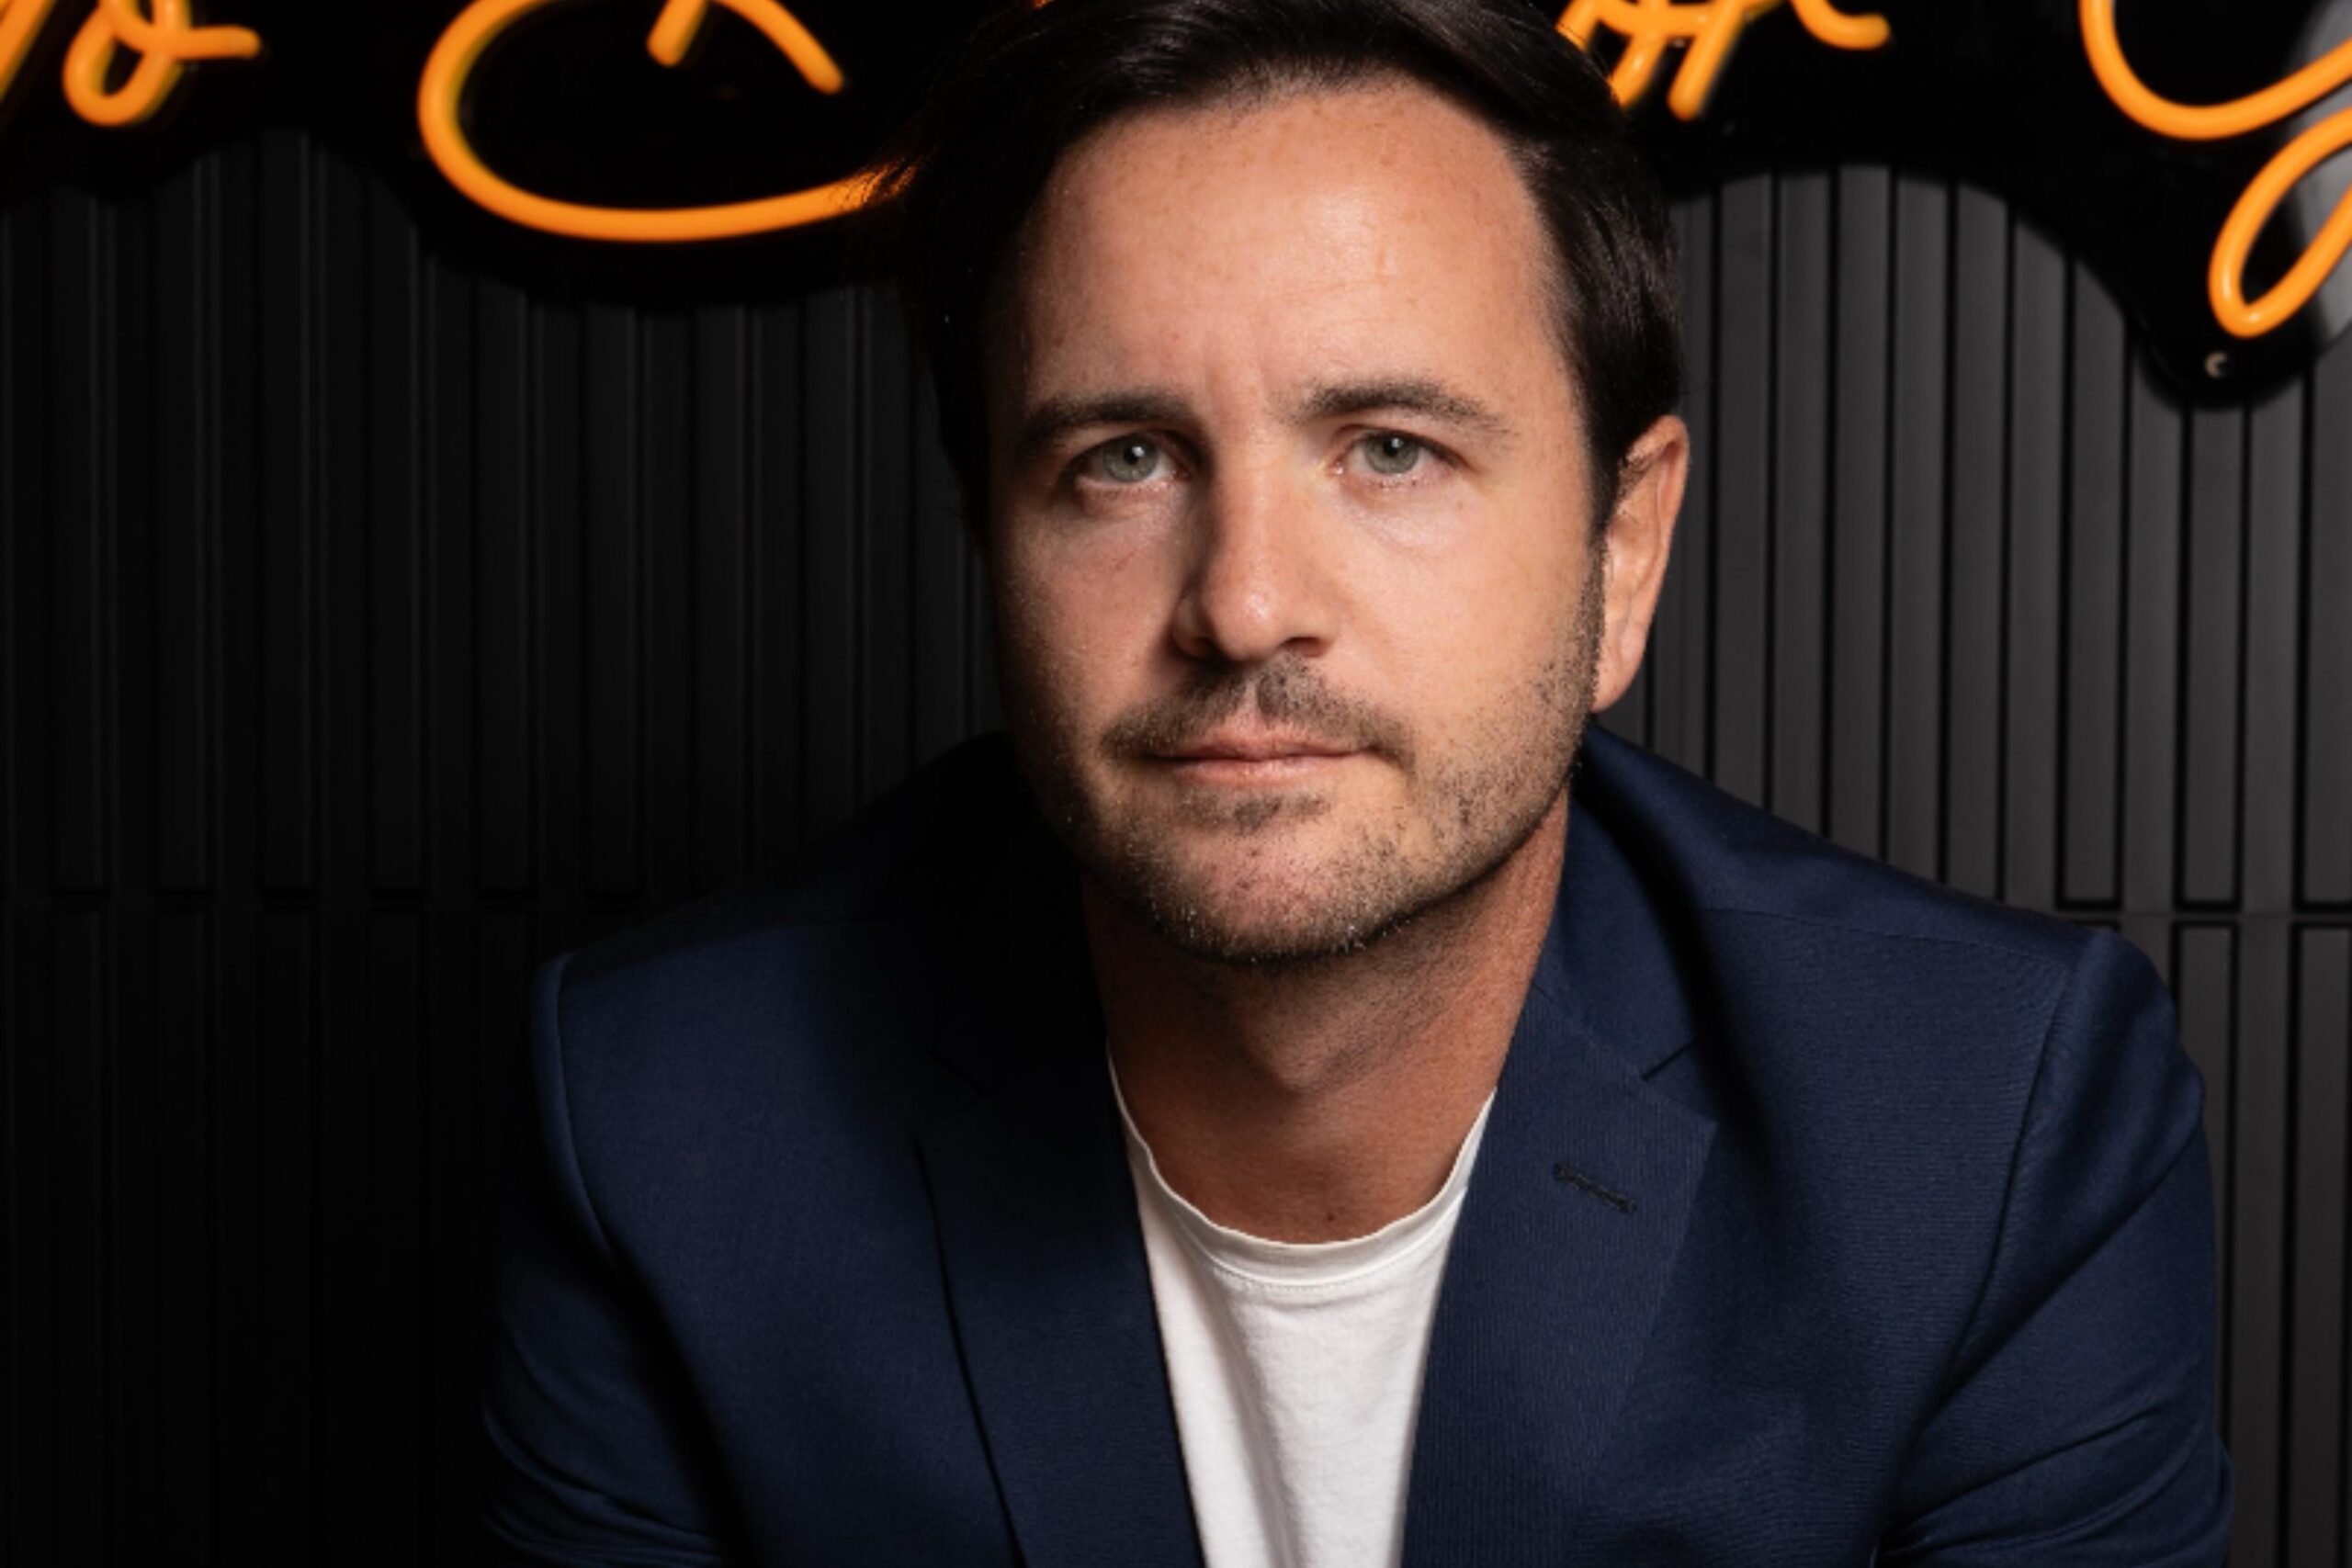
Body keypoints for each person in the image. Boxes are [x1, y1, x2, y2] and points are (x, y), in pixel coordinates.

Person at [480, 0, 2233, 1562]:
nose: (1244, 600)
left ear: (1623, 551)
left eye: (1390, 450)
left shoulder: (1992, 1122)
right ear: (988, 538)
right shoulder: (667, 1126)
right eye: (1124, 459)